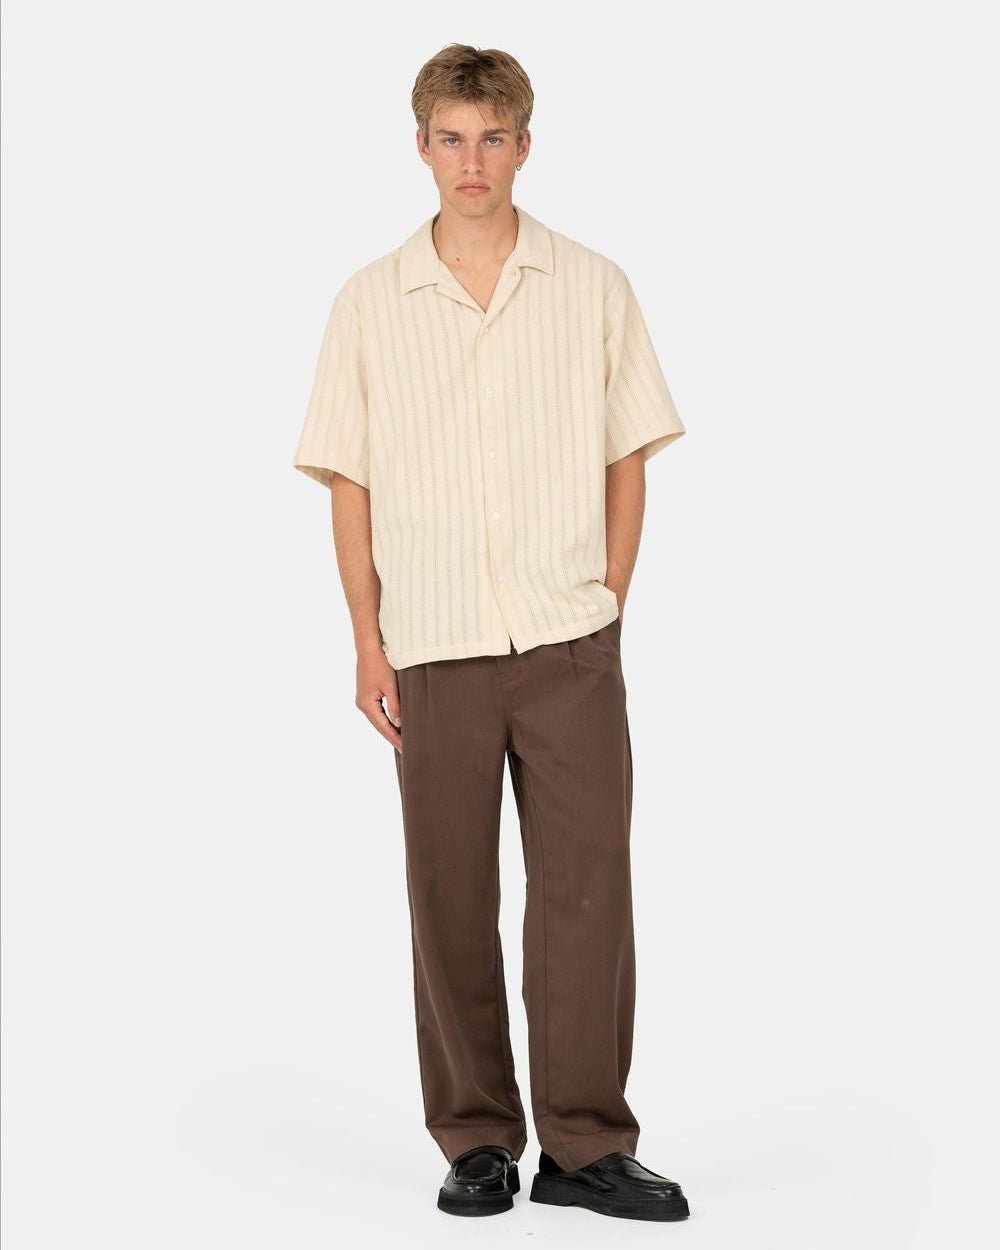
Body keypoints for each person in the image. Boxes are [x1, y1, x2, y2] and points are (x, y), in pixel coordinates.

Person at [293, 43, 691, 1223]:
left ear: (524, 145)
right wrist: (367, 641)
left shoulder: (591, 284)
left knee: (586, 891)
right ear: (421, 146)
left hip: (568, 640)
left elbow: (628, 451)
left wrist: (606, 599)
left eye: (494, 138)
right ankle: (475, 1137)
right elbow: (349, 479)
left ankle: (585, 1143)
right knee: (449, 896)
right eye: (452, 138)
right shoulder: (369, 301)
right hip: (431, 644)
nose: (473, 160)